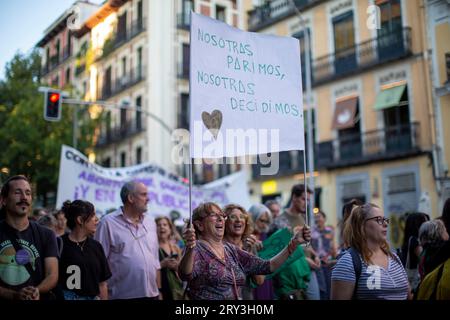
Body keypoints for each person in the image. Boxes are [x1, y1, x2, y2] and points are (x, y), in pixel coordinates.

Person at [178, 202, 311, 300]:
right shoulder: (196, 248)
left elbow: (268, 266)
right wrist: (190, 247)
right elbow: (185, 273)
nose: (220, 219)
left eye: (222, 216)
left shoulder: (231, 250)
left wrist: (294, 242)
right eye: (213, 215)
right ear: (200, 225)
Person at [94, 181, 161, 299]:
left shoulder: (151, 222)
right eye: (143, 195)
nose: (148, 199)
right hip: (121, 296)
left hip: (152, 294)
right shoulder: (107, 223)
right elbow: (98, 264)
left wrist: (159, 291)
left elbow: (155, 262)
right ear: (130, 198)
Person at [331, 203, 410, 300]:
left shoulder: (394, 258)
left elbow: (408, 295)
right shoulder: (348, 262)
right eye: (379, 220)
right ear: (362, 224)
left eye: (385, 220)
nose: (385, 224)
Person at [0, 175, 59, 300]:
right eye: (17, 192)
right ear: (3, 200)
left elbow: (52, 274)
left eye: (28, 193)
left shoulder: (47, 235)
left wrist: (36, 291)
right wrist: (14, 295)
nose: (24, 197)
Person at [269, 184, 315, 300]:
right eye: (304, 199)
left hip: (309, 269)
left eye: (308, 200)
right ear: (294, 197)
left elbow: (307, 243)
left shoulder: (305, 218)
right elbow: (279, 250)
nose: (306, 203)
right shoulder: (280, 220)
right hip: (291, 273)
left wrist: (314, 255)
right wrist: (305, 259)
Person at [59, 200, 111, 300]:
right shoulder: (59, 244)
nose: (97, 220)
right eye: (92, 215)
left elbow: (102, 284)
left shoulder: (96, 246)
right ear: (80, 220)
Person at [223, 204, 263, 300]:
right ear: (224, 221)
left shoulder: (249, 245)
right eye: (233, 217)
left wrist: (249, 255)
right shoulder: (217, 245)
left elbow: (259, 281)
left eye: (242, 217)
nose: (238, 220)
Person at [248, 203, 275, 300]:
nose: (264, 225)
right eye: (262, 220)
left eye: (267, 222)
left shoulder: (264, 235)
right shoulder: (243, 234)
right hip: (250, 280)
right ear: (253, 218)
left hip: (265, 278)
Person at [399, 212, 429, 292]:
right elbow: (425, 258)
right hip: (414, 282)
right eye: (425, 223)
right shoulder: (414, 241)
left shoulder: (409, 240)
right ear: (418, 225)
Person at [156, 216, 184, 300]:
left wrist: (177, 266)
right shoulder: (152, 248)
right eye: (159, 225)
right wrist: (161, 264)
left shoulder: (175, 248)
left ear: (170, 229)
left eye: (165, 224)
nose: (162, 227)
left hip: (176, 288)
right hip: (159, 289)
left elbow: (182, 271)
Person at [311, 210, 337, 300]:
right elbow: (309, 247)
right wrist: (315, 256)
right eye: (316, 217)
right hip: (318, 262)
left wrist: (335, 255)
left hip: (328, 261)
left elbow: (333, 245)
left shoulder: (330, 231)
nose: (317, 219)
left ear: (324, 219)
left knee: (329, 285)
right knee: (321, 286)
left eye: (319, 217)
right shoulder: (312, 232)